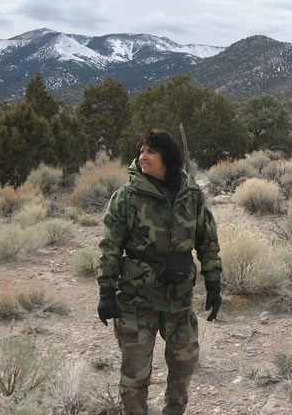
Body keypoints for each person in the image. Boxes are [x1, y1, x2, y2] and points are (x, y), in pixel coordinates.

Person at [97, 127, 222, 415]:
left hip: (178, 299)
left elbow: (207, 240)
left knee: (184, 365)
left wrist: (213, 283)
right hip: (136, 300)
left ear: (167, 156)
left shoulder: (190, 195)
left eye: (151, 151)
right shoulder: (126, 197)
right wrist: (106, 289)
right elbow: (110, 245)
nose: (143, 156)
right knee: (135, 375)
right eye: (141, 150)